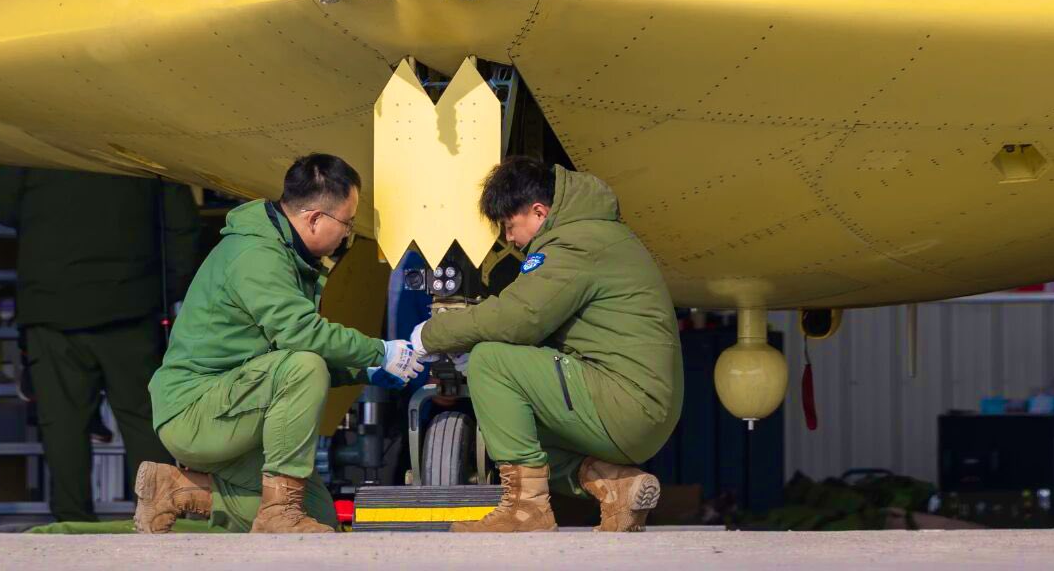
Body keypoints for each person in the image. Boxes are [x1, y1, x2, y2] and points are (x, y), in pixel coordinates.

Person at [136, 152, 419, 535]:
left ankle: (176, 491)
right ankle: (278, 514)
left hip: (233, 406)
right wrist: (379, 351)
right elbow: (301, 340)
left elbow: (278, 360)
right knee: (304, 365)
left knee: (320, 518)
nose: (347, 235)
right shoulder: (258, 255)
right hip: (197, 414)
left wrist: (365, 371)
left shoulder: (284, 253)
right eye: (347, 223)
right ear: (314, 218)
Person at [410, 155, 684, 534]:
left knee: (491, 361)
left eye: (510, 225)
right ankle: (616, 486)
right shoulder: (597, 235)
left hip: (623, 405)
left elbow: (519, 317)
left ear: (539, 211)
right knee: (510, 421)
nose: (509, 238)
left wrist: (430, 335)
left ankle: (526, 509)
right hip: (635, 408)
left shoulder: (574, 244)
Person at [0, 165, 202, 525]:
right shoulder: (139, 146)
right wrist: (167, 290)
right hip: (132, 305)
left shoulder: (32, 144)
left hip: (52, 306)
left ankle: (73, 520)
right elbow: (182, 224)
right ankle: (158, 514)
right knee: (143, 420)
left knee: (63, 424)